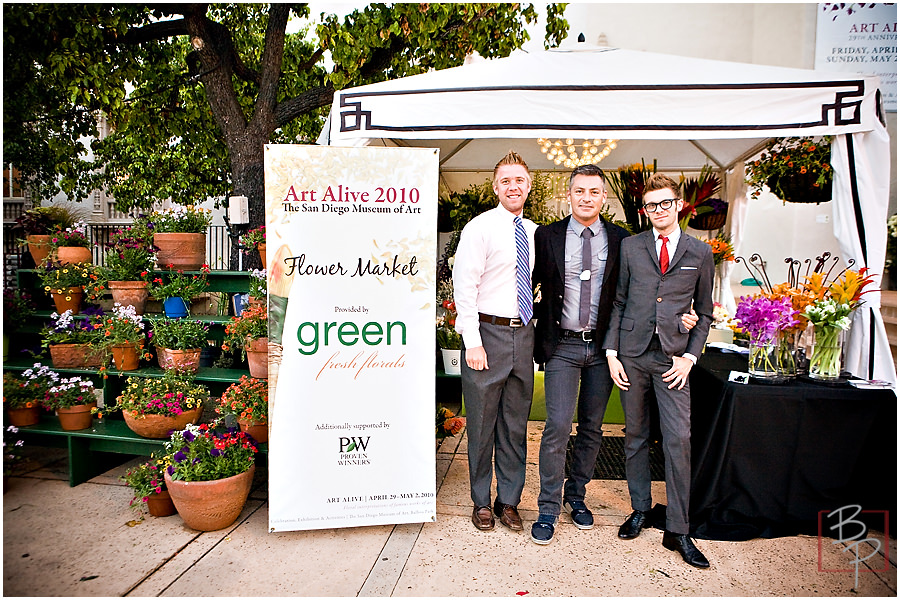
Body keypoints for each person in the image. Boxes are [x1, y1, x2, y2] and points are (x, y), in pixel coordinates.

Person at [530, 165, 697, 545]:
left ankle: (577, 497)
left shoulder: (624, 241)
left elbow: (637, 293)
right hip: (563, 346)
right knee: (557, 426)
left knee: (592, 429)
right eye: (579, 191)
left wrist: (680, 316)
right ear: (568, 195)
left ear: (604, 197)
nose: (586, 198)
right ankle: (548, 507)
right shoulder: (547, 236)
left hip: (605, 348)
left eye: (593, 192)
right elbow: (528, 281)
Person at [603, 172, 714, 569]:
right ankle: (639, 508)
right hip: (632, 355)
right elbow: (618, 302)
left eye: (666, 203)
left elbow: (704, 313)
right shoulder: (631, 248)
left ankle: (679, 528)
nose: (659, 210)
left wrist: (690, 357)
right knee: (633, 435)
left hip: (673, 361)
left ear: (680, 205)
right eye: (652, 205)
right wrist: (613, 353)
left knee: (678, 438)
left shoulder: (700, 252)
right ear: (643, 210)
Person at [453, 150, 536, 532]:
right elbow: (464, 286)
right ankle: (481, 501)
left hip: (525, 335)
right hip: (487, 335)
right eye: (506, 180)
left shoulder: (537, 233)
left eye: (519, 180)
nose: (513, 186)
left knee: (515, 426)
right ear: (495, 187)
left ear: (529, 185)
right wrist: (472, 341)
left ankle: (509, 501)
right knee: (483, 424)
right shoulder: (480, 227)